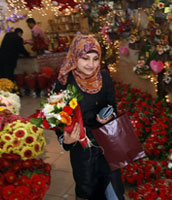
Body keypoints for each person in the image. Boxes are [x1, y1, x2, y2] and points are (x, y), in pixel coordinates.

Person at [53, 35, 124, 200]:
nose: (91, 64)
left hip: (107, 144)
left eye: (95, 59)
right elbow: (56, 118)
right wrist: (66, 139)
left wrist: (109, 115)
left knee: (113, 189)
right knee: (87, 189)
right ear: (74, 57)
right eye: (85, 58)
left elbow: (111, 105)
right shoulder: (65, 82)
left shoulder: (104, 78)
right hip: (82, 148)